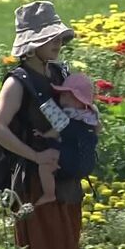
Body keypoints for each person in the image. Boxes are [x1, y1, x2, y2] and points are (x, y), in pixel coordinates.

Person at [0, 1, 82, 249]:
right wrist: (36, 156)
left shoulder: (60, 74)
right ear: (31, 44)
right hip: (35, 183)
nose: (57, 43)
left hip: (65, 177)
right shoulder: (17, 83)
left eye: (57, 36)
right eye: (48, 38)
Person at [33, 73, 101, 205]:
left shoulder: (65, 116)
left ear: (77, 99)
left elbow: (55, 132)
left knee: (45, 164)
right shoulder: (91, 116)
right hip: (87, 161)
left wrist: (43, 135)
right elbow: (98, 129)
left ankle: (49, 194)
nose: (61, 97)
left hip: (71, 160)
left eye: (64, 95)